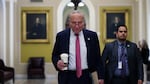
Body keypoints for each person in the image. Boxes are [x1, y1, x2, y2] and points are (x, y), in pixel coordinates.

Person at [52, 11, 104, 84]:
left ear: (83, 23)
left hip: (87, 76)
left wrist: (101, 77)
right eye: (74, 23)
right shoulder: (61, 36)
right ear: (69, 23)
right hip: (67, 77)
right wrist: (57, 62)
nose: (77, 26)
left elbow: (98, 58)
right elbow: (55, 55)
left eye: (79, 23)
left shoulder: (92, 36)